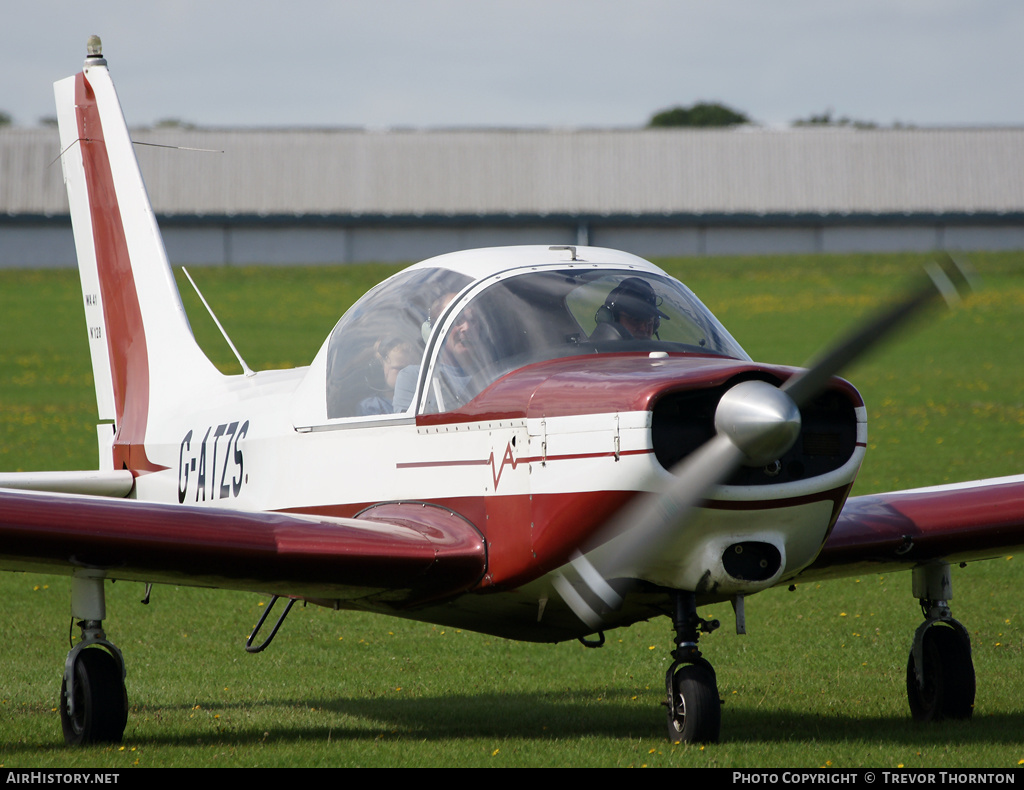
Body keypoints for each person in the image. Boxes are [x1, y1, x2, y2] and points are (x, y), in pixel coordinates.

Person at [392, 292, 481, 413]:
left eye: (473, 320)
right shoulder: (416, 378)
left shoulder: (495, 373)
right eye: (457, 319)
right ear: (435, 329)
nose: (467, 327)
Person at [593, 277, 670, 340]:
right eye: (636, 320)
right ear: (612, 320)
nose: (643, 329)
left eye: (649, 322)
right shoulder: (595, 356)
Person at [357, 337, 417, 415]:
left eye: (412, 369)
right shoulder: (370, 407)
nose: (407, 374)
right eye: (400, 369)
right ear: (382, 369)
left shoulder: (425, 402)